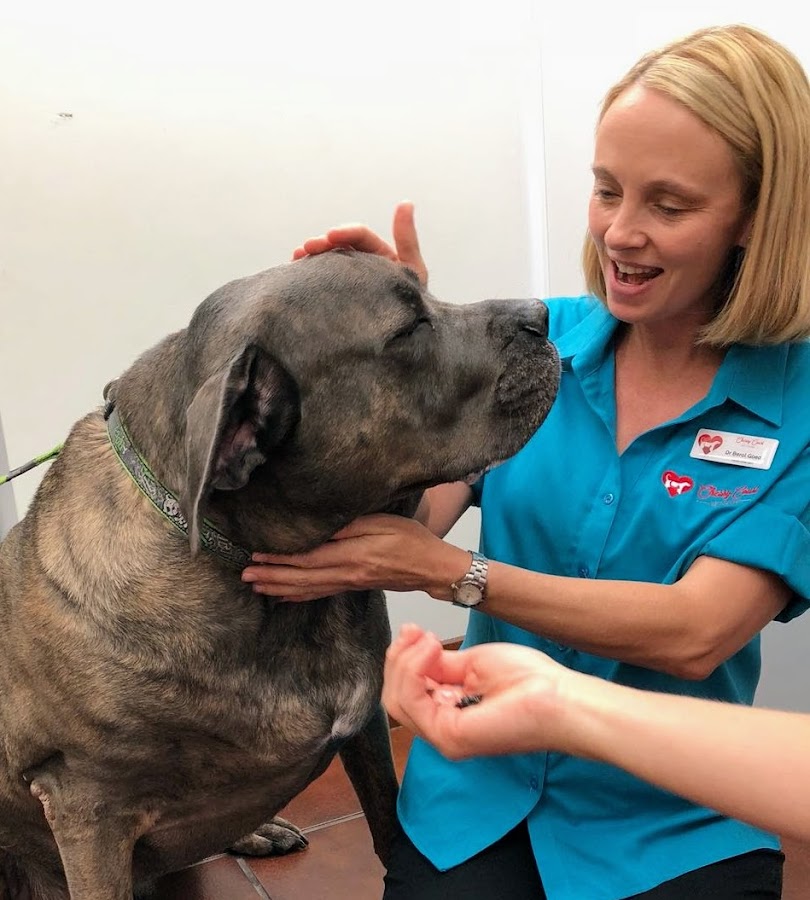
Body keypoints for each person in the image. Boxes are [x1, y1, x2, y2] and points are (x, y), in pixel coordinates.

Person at [241, 23, 810, 900]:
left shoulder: (796, 406)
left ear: (757, 219)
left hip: (673, 816)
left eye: (669, 206)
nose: (620, 232)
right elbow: (416, 518)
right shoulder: (535, 346)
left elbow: (697, 633)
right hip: (478, 786)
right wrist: (402, 360)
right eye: (606, 190)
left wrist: (453, 576)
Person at [382, 622, 810, 845]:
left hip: (678, 826)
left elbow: (698, 636)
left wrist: (461, 573)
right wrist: (553, 701)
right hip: (474, 801)